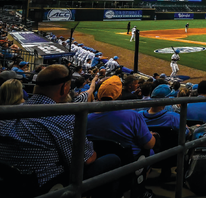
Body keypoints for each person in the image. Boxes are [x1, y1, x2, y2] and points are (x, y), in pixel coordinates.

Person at [0, 65, 121, 193]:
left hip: (9, 186)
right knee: (113, 159)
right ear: (64, 88)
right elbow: (87, 159)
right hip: (45, 187)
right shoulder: (62, 117)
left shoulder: (10, 112)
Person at [87, 75, 157, 157]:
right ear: (120, 95)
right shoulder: (133, 116)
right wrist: (151, 136)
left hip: (101, 161)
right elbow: (149, 145)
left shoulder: (86, 119)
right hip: (129, 164)